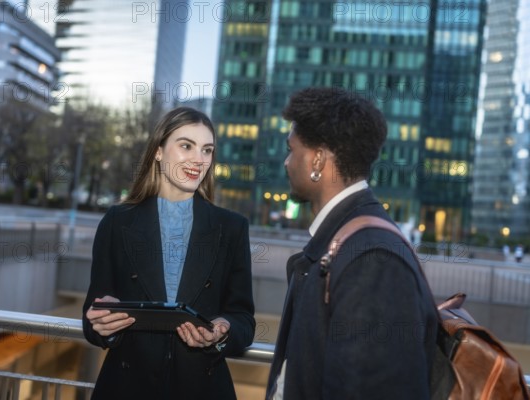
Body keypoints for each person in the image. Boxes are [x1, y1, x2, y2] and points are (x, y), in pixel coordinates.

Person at [266, 87, 438, 399]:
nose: (287, 163)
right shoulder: (347, 242)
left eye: (292, 150)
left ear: (317, 159)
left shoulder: (373, 260)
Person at [82, 107, 255, 400]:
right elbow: (92, 319)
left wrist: (222, 330)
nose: (198, 160)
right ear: (159, 151)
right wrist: (103, 323)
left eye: (207, 150)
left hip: (203, 388)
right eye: (186, 145)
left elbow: (243, 319)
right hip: (126, 387)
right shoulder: (117, 221)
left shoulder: (233, 228)